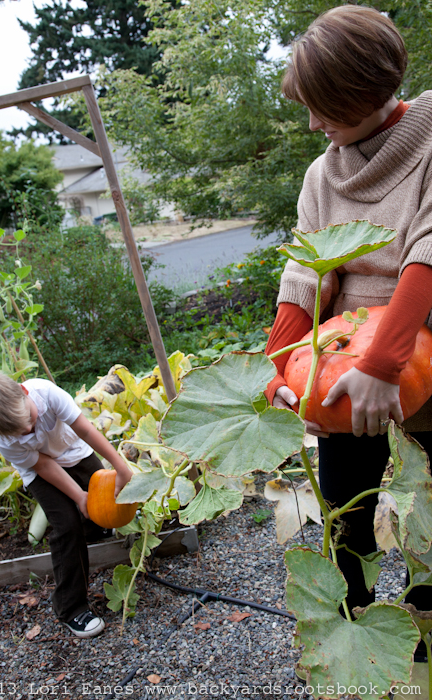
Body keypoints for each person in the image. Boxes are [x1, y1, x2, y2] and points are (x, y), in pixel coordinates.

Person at [264, 5, 432, 661]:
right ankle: (354, 617)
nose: (312, 125)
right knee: (343, 505)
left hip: (416, 338)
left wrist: (384, 361)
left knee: (428, 510)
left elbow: (426, 249)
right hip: (340, 354)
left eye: (323, 107)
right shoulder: (320, 172)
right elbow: (303, 277)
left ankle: (422, 623)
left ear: (367, 93)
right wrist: (281, 369)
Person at [0, 370, 133, 638]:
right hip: (40, 470)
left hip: (74, 450)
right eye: (20, 432)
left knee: (102, 495)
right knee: (66, 525)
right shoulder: (5, 441)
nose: (28, 430)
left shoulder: (47, 393)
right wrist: (78, 497)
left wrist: (119, 466)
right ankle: (71, 608)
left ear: (24, 392)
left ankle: (94, 530)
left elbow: (85, 430)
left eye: (29, 420)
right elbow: (43, 465)